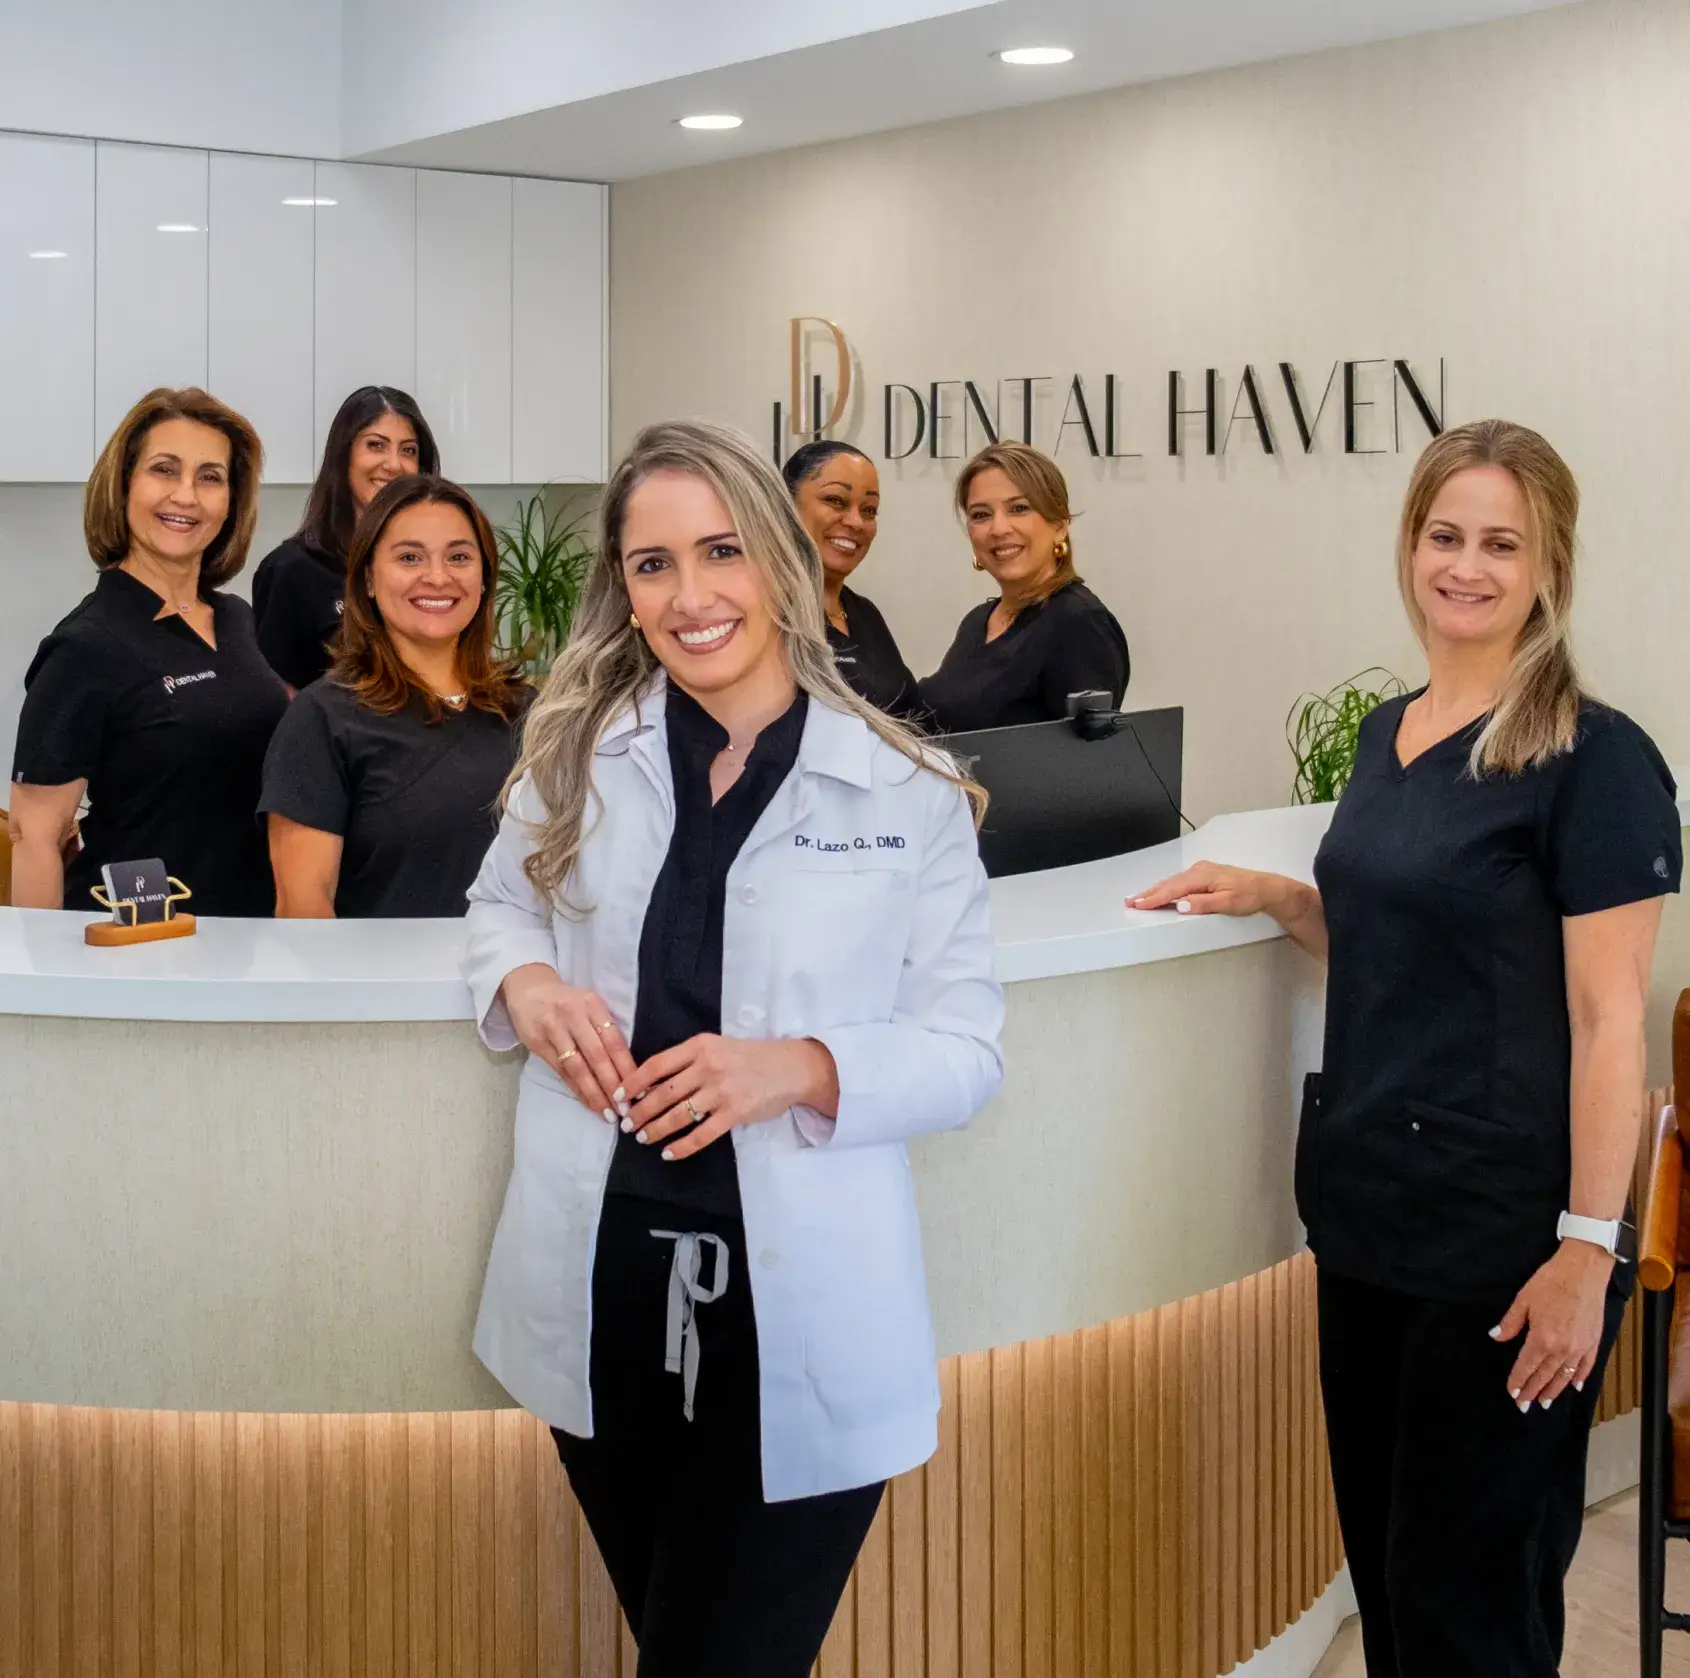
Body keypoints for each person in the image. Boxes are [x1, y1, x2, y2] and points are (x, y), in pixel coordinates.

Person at [1129, 419, 1681, 1678]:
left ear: (1549, 567)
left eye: (1502, 543)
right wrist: (1280, 900)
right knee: (1390, 1588)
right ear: (1409, 546)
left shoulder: (1594, 761)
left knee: (1468, 1614)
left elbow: (1607, 1022)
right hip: (1365, 1214)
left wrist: (1584, 1256)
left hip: (1497, 1242)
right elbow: (1408, 948)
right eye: (1445, 536)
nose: (1467, 566)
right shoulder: (1390, 735)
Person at [462, 419, 1003, 1676]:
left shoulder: (907, 789)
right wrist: (530, 981)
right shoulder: (580, 750)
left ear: (782, 561)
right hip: (603, 1279)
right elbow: (496, 906)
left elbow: (966, 1047)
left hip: (792, 1305)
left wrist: (800, 1068)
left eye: (720, 552)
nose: (691, 596)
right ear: (624, 586)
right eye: (652, 565)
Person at [7, 387, 286, 916]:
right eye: (164, 469)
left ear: (230, 502)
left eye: (210, 477)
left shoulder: (236, 619)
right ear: (125, 484)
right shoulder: (84, 646)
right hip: (134, 945)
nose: (186, 495)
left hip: (247, 936)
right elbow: (34, 838)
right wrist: (52, 984)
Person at [260, 476, 528, 919]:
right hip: (385, 986)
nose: (438, 577)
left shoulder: (530, 713)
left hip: (521, 985)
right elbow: (303, 914)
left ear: (483, 579)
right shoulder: (322, 719)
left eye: (459, 557)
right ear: (368, 578)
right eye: (409, 557)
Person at [917, 441, 1129, 733]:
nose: (999, 529)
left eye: (1019, 508)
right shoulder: (976, 622)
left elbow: (1086, 765)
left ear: (1059, 525)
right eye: (981, 514)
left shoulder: (1078, 621)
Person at [251, 386, 439, 691]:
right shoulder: (291, 569)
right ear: (344, 454)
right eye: (376, 445)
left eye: (408, 450)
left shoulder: (430, 567)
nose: (394, 464)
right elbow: (277, 696)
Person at [782, 440, 919, 718]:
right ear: (785, 506)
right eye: (835, 501)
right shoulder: (768, 613)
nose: (856, 522)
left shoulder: (864, 614)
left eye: (869, 510)